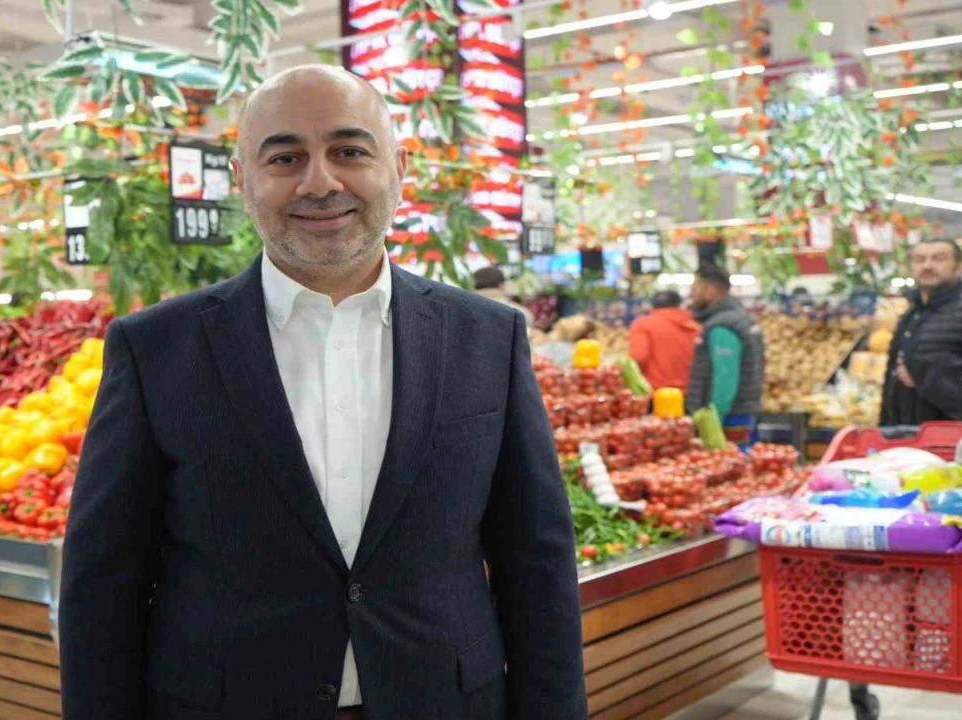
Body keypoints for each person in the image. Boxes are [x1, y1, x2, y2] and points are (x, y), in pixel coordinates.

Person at [59, 65, 587, 720]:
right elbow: (103, 582)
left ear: (398, 168)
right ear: (243, 180)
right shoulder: (155, 350)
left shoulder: (488, 339)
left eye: (349, 151)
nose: (320, 182)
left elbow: (536, 560)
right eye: (285, 158)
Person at [881, 238, 962, 427]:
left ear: (959, 267)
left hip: (956, 434)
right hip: (908, 429)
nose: (927, 266)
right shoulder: (911, 313)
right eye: (920, 259)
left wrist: (922, 377)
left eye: (939, 258)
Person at [685, 265, 765, 446]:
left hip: (729, 418)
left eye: (695, 287)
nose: (691, 293)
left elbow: (725, 380)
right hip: (743, 411)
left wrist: (712, 423)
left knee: (732, 459)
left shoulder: (723, 326)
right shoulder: (740, 319)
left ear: (711, 291)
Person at [628, 289, 700, 391]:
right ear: (679, 304)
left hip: (656, 392)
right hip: (689, 390)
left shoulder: (642, 324)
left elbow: (639, 357)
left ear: (652, 306)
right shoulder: (695, 327)